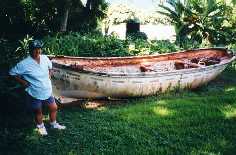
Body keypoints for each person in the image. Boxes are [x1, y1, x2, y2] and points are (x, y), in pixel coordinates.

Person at [9, 40, 66, 136]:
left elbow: (50, 67)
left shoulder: (44, 58)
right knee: (38, 110)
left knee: (54, 107)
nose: (38, 52)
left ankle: (53, 124)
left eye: (39, 49)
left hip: (47, 90)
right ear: (30, 50)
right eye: (35, 50)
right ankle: (41, 126)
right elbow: (12, 73)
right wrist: (23, 82)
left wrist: (49, 75)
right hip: (34, 92)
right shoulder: (24, 64)